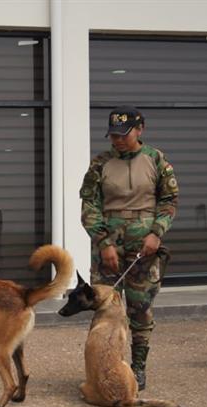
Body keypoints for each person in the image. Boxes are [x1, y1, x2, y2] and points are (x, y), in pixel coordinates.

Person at [79, 105, 178, 391]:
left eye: (123, 135)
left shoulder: (156, 160)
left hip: (144, 247)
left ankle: (137, 368)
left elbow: (169, 201)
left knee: (141, 309)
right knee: (103, 310)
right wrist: (103, 242)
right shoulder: (100, 163)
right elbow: (89, 206)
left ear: (140, 129)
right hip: (108, 247)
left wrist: (156, 234)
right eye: (113, 135)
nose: (117, 140)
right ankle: (102, 364)